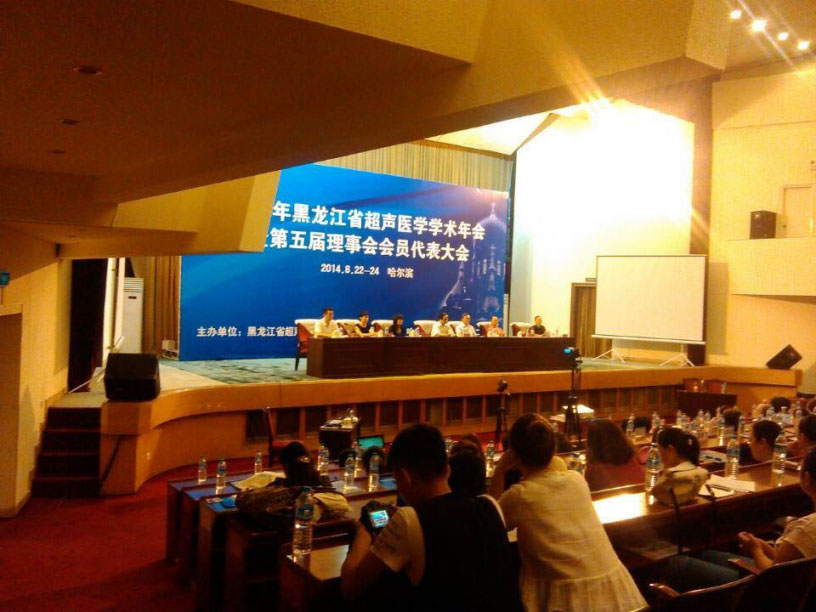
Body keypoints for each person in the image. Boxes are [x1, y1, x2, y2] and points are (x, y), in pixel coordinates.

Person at [341, 424, 521, 610]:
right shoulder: (490, 505)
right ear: (447, 470)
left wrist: (364, 528)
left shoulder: (408, 520)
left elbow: (350, 586)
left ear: (404, 477)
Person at [488, 414, 644, 612]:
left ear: (514, 455)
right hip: (616, 595)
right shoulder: (576, 481)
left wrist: (501, 469)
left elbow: (489, 517)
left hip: (564, 602)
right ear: (554, 449)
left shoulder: (520, 496)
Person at [661, 445, 816, 591]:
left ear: (807, 478)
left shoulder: (805, 530)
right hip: (796, 587)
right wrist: (763, 547)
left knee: (676, 564)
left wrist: (755, 549)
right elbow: (788, 561)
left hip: (767, 593)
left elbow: (772, 574)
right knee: (704, 554)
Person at [651, 427, 708, 506]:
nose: (660, 459)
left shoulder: (669, 477)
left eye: (660, 453)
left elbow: (655, 492)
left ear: (670, 450)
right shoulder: (702, 473)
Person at [583, 418, 645, 492]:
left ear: (591, 442)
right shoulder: (632, 458)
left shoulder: (593, 470)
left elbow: (589, 494)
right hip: (640, 495)